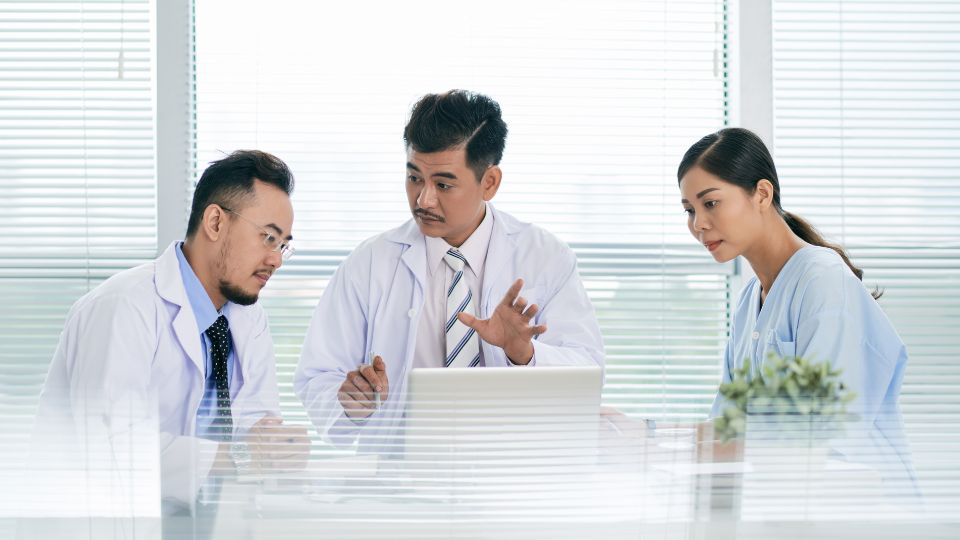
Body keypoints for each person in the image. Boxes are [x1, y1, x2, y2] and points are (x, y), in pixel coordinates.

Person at [295, 90, 604, 448]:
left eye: (443, 184)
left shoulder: (546, 258)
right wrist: (351, 402)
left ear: (489, 182)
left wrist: (525, 354)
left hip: (512, 472)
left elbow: (588, 371)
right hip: (398, 477)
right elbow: (317, 376)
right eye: (414, 178)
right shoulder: (368, 264)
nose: (424, 200)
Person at [34, 150, 309, 509]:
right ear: (214, 222)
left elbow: (255, 425)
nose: (276, 259)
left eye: (284, 245)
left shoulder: (247, 317)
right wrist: (239, 456)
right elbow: (111, 449)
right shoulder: (124, 306)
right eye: (268, 238)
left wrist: (277, 449)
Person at [676, 127, 908, 427]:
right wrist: (648, 432)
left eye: (710, 203)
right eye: (689, 210)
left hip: (849, 473)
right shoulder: (750, 302)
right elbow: (726, 427)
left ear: (762, 194)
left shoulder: (822, 282)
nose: (699, 224)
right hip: (778, 473)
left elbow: (821, 431)